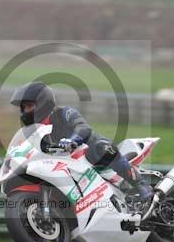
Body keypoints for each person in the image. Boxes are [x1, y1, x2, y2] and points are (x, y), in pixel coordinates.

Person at [10, 81, 153, 208]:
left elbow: (83, 128)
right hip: (66, 164)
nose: (24, 111)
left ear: (42, 102)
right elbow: (26, 149)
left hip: (90, 154)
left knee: (101, 148)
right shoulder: (32, 132)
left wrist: (73, 140)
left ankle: (141, 185)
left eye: (29, 106)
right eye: (23, 108)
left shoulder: (64, 113)